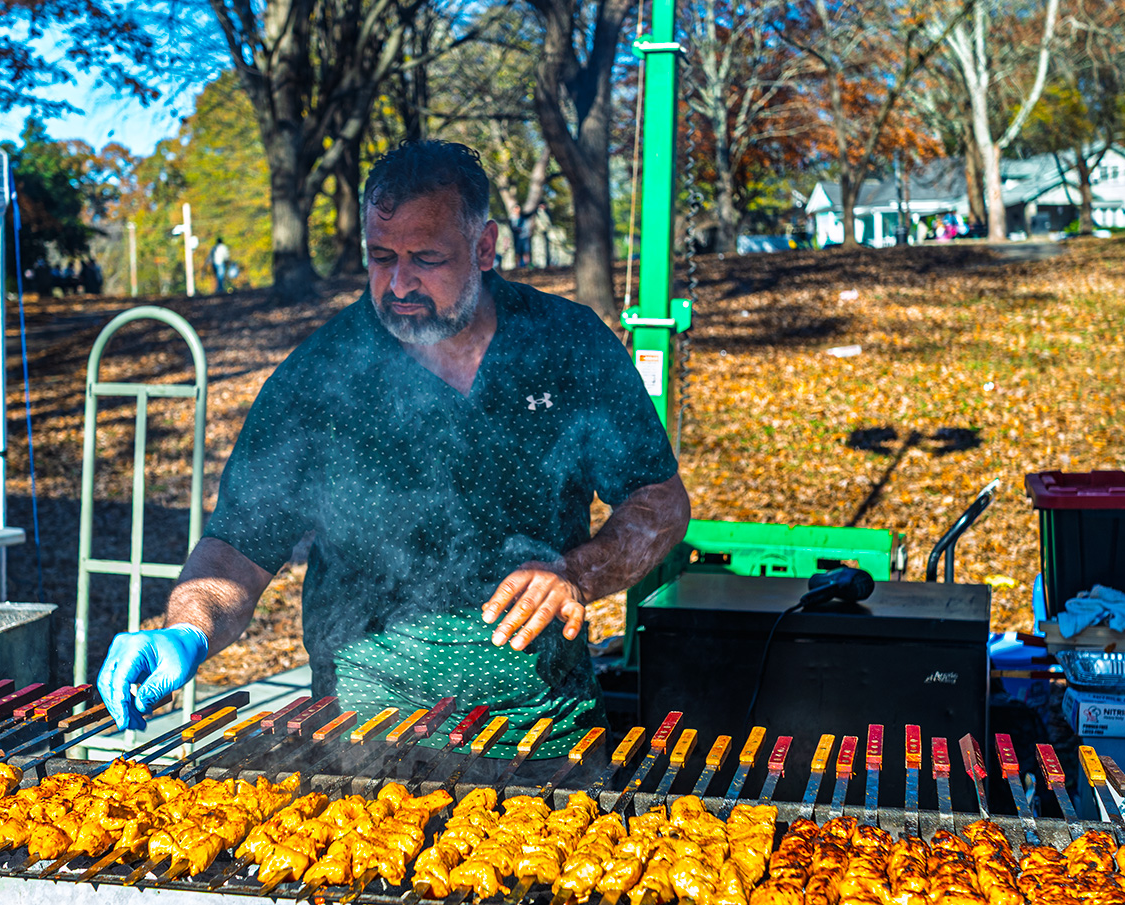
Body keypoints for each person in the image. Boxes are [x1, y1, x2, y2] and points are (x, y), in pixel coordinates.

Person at [97, 141, 689, 770]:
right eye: (381, 258)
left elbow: (658, 500)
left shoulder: (566, 344)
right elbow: (238, 546)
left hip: (547, 737)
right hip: (365, 744)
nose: (400, 284)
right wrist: (185, 627)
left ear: (485, 248)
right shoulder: (317, 379)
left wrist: (578, 573)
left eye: (427, 259)